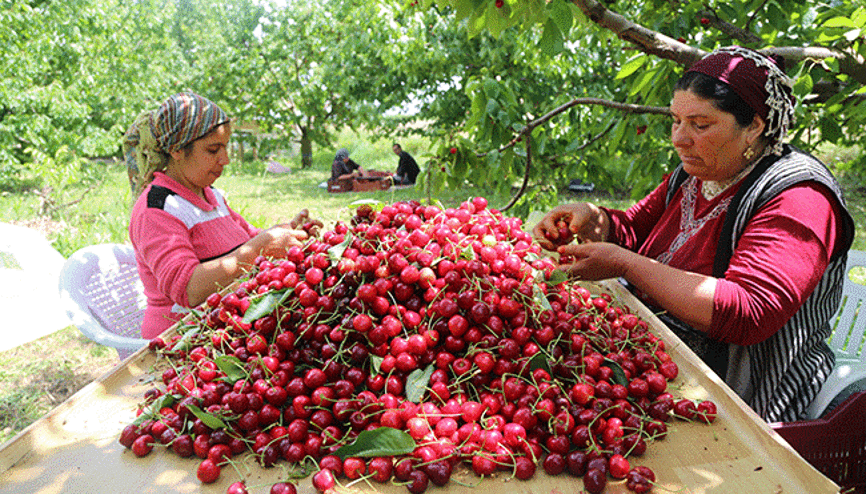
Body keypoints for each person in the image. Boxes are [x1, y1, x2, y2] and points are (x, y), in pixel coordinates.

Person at [532, 46, 855, 423]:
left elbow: (748, 312)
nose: (679, 139)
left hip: (741, 387)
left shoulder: (800, 197)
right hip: (657, 356)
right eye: (676, 121)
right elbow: (635, 231)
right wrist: (591, 218)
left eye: (700, 125)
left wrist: (625, 264)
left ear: (754, 125)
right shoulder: (698, 173)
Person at [124, 92, 320, 339]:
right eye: (213, 149)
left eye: (225, 147)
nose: (225, 160)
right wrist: (259, 249)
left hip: (224, 327)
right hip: (181, 341)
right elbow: (188, 290)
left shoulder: (211, 196)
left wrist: (289, 232)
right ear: (176, 149)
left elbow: (249, 238)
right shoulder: (156, 209)